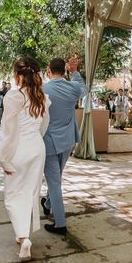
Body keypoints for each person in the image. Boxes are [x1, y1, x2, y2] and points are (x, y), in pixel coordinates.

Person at [0, 56, 50, 261]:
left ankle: (23, 237)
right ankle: (22, 235)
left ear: (18, 75)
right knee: (29, 192)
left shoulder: (14, 96)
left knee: (12, 194)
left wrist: (3, 157)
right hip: (37, 148)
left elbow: (8, 131)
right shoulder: (42, 96)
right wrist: (35, 141)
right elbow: (44, 125)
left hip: (19, 149)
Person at [41, 56, 87, 235]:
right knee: (57, 177)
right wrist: (74, 72)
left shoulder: (43, 89)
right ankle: (48, 203)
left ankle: (60, 224)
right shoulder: (73, 87)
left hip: (50, 141)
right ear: (64, 70)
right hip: (67, 140)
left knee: (53, 182)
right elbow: (84, 89)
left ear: (49, 70)